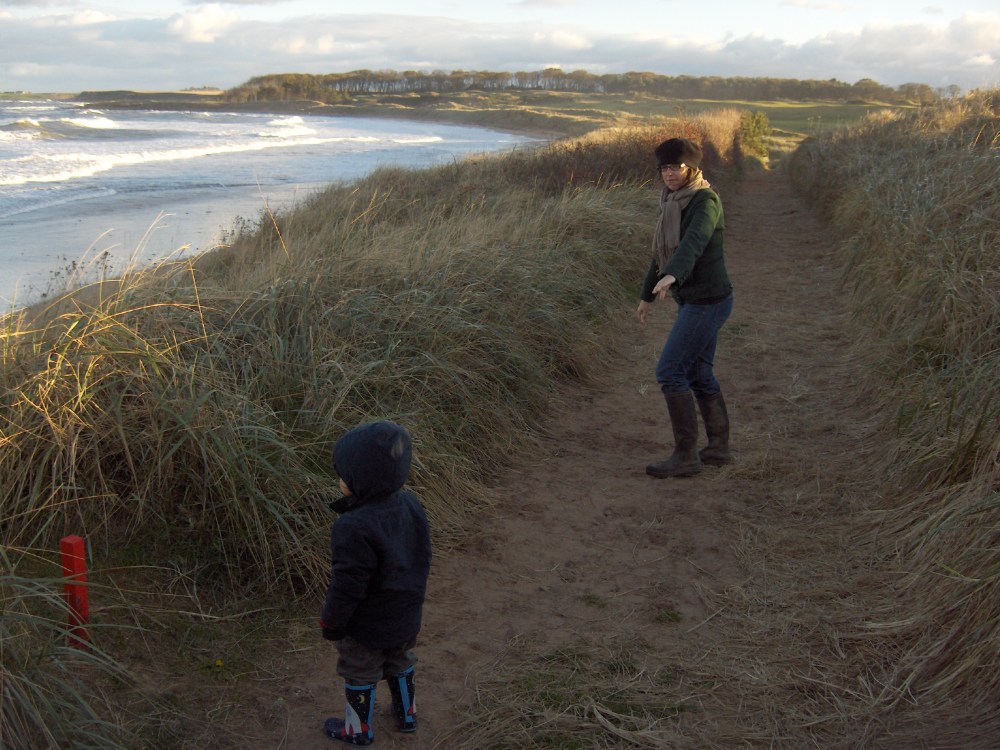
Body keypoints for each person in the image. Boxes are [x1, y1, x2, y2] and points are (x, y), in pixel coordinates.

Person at [320, 420, 432, 745]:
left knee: (360, 669)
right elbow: (423, 554)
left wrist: (332, 622)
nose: (340, 479)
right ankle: (407, 714)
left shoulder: (352, 526)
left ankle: (358, 729)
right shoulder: (411, 504)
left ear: (363, 479)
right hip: (405, 614)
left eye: (344, 474)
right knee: (401, 659)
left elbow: (347, 585)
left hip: (366, 625)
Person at [636, 137, 734, 478]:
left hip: (708, 301)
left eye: (675, 167)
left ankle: (686, 456)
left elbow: (693, 243)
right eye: (663, 168)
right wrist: (646, 295)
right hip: (696, 301)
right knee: (698, 374)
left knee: (670, 371)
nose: (669, 174)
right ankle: (718, 449)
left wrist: (673, 274)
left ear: (691, 168)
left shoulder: (705, 201)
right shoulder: (670, 203)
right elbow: (660, 253)